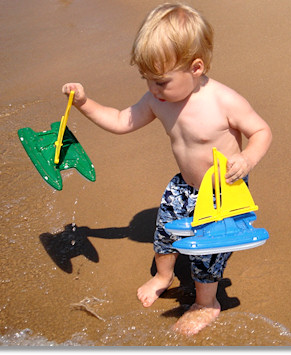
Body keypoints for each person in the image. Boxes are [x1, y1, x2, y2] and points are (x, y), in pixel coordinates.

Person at [62, 3, 272, 336]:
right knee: (165, 231)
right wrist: (84, 103)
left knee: (208, 252)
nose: (153, 89)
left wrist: (246, 159)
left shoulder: (224, 101)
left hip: (221, 194)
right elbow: (120, 121)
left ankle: (207, 303)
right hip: (184, 186)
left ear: (196, 68)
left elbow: (261, 131)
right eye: (146, 80)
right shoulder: (157, 100)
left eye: (160, 81)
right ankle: (163, 276)